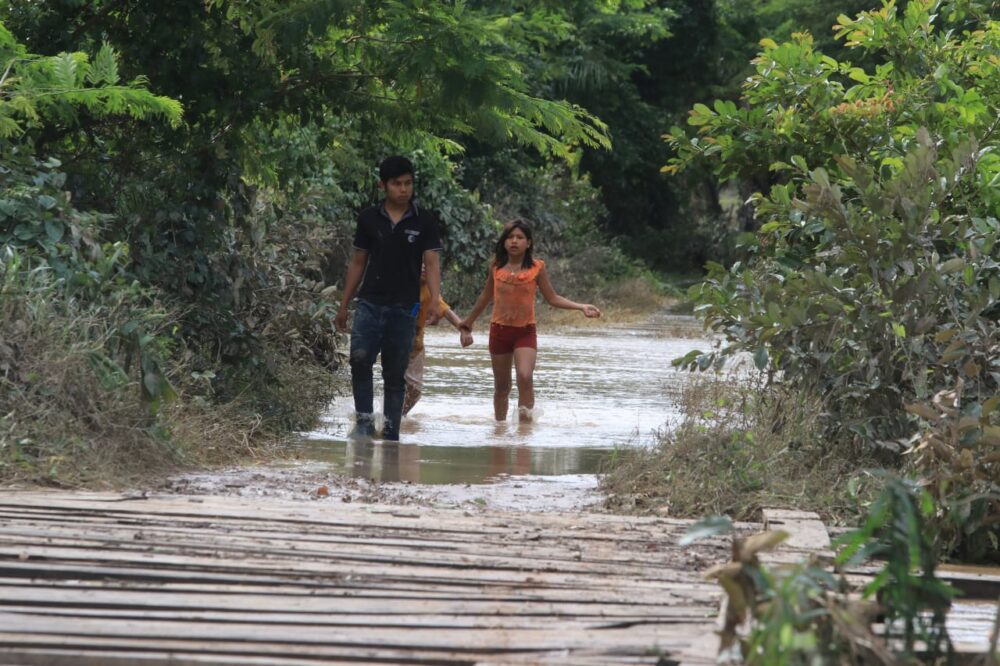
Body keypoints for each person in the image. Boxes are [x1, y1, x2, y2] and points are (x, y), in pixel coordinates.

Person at [335, 155, 442, 441]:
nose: (404, 189)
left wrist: (434, 299)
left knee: (395, 373)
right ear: (383, 185)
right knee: (359, 360)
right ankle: (364, 423)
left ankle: (392, 432)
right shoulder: (369, 218)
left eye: (408, 183)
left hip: (405, 307)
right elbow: (358, 262)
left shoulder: (424, 221)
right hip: (370, 302)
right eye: (397, 184)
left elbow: (431, 263)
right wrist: (344, 304)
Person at [460, 219, 601, 422]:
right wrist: (468, 323)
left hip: (525, 332)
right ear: (504, 242)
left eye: (519, 237)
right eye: (510, 237)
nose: (514, 241)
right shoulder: (496, 267)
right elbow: (485, 296)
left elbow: (552, 297)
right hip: (499, 332)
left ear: (529, 243)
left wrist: (580, 307)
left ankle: (524, 430)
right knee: (502, 386)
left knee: (525, 376)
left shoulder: (537, 268)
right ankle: (499, 429)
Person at [402, 267, 474, 416]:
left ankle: (399, 417)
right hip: (395, 343)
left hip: (416, 347)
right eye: (419, 262)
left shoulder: (429, 290)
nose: (423, 267)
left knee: (415, 392)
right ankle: (390, 418)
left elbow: (446, 310)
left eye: (426, 264)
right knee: (395, 384)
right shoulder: (399, 285)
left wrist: (463, 329)